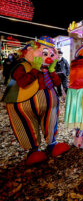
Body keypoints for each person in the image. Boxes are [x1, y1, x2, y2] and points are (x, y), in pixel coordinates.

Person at [3, 36, 70, 165]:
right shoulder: (22, 66)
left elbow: (56, 83)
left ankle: (52, 143)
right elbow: (22, 82)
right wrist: (35, 68)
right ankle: (33, 150)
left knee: (50, 122)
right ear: (30, 51)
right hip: (24, 103)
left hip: (49, 104)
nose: (49, 57)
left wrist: (52, 70)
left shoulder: (47, 69)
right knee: (27, 124)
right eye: (45, 53)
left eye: (51, 54)